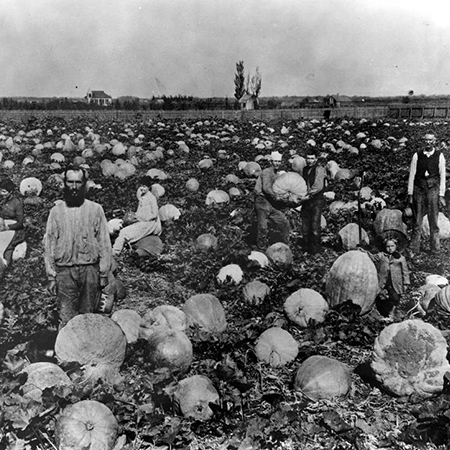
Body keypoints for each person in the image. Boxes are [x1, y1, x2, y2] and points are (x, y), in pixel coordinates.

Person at [44, 166, 112, 328]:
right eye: (70, 182)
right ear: (65, 183)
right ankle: (67, 351)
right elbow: (50, 245)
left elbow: (104, 242)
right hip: (65, 272)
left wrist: (103, 273)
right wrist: (51, 276)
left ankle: (87, 350)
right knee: (67, 317)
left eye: (78, 182)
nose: (74, 187)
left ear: (84, 184)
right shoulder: (56, 212)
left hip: (90, 270)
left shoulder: (96, 209)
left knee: (88, 316)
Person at [407, 133, 446, 255]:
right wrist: (410, 193)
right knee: (417, 220)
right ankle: (414, 248)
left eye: (431, 140)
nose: (428, 142)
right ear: (423, 141)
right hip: (419, 188)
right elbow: (412, 175)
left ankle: (435, 249)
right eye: (426, 140)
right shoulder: (417, 155)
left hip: (433, 189)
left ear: (435, 141)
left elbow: (442, 175)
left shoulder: (439, 156)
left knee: (433, 220)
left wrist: (441, 194)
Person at [361, 238, 410, 321]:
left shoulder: (400, 258)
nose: (390, 248)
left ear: (396, 246)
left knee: (395, 297)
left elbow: (405, 272)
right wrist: (364, 252)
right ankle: (375, 312)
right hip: (383, 280)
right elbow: (372, 257)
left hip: (395, 282)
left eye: (392, 246)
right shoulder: (381, 255)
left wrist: (406, 283)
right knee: (377, 295)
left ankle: (391, 313)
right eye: (388, 246)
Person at [112, 176, 162, 256]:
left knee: (124, 232)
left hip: (148, 224)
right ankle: (118, 249)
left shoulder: (151, 198)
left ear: (149, 187)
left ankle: (115, 251)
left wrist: (143, 218)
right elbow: (140, 211)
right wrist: (136, 216)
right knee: (124, 230)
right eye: (141, 186)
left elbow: (154, 214)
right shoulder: (143, 196)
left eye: (144, 186)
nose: (142, 188)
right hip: (141, 222)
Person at [254, 151, 290, 250]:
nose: (277, 163)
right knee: (263, 226)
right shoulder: (266, 172)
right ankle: (261, 247)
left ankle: (285, 245)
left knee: (283, 221)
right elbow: (266, 188)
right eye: (275, 161)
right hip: (262, 201)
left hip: (270, 202)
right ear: (271, 161)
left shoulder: (275, 173)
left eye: (279, 161)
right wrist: (276, 196)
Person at [299, 149, 327, 254]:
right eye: (308, 158)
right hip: (306, 201)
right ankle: (306, 248)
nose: (310, 161)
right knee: (305, 225)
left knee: (315, 226)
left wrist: (308, 195)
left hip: (316, 200)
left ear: (316, 159)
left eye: (312, 158)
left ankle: (315, 251)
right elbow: (301, 184)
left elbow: (318, 186)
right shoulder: (304, 169)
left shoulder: (319, 169)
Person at [0, 178, 25, 279]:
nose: (1, 193)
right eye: (0, 190)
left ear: (10, 191)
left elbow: (20, 223)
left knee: (7, 247)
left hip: (15, 230)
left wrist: (7, 227)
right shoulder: (2, 201)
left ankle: (4, 266)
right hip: (3, 226)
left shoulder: (17, 203)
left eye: (4, 191)